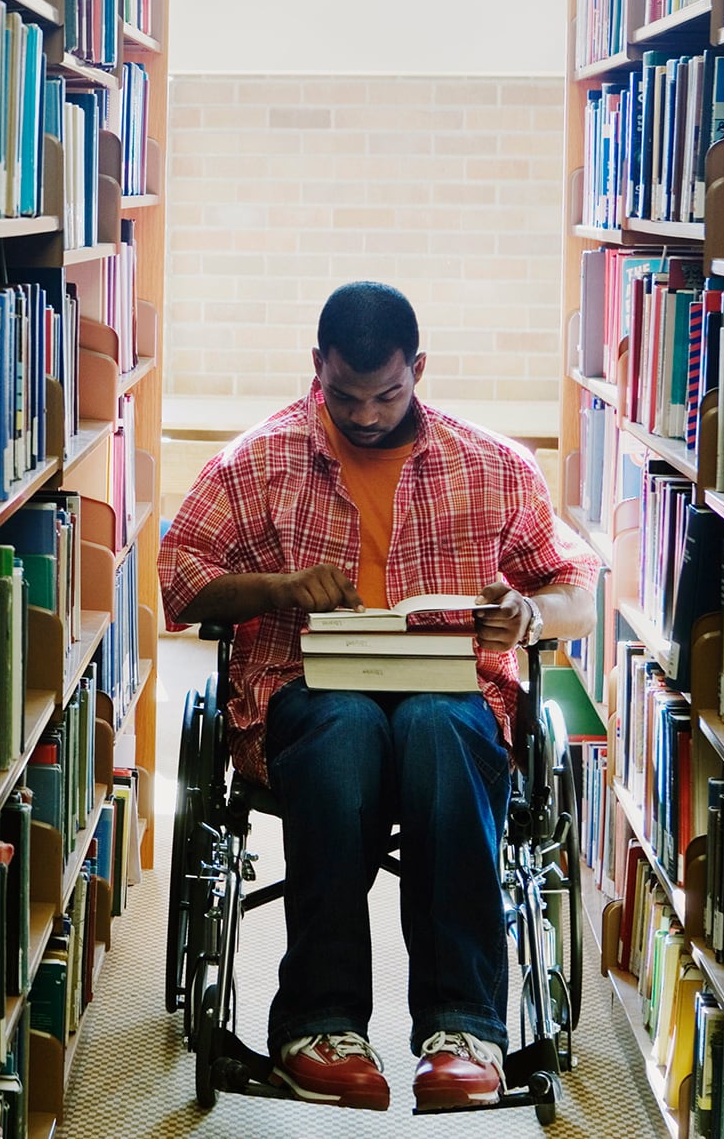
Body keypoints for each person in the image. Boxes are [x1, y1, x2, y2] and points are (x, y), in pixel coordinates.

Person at [157, 281, 597, 1113]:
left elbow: (577, 586)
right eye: (345, 395)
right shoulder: (256, 461)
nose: (364, 414)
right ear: (316, 367)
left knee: (438, 724)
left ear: (418, 369)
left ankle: (462, 1029)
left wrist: (532, 613)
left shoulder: (492, 465)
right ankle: (319, 1024)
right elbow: (180, 580)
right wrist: (281, 586)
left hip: (448, 699)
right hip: (309, 698)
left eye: (387, 394)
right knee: (346, 728)